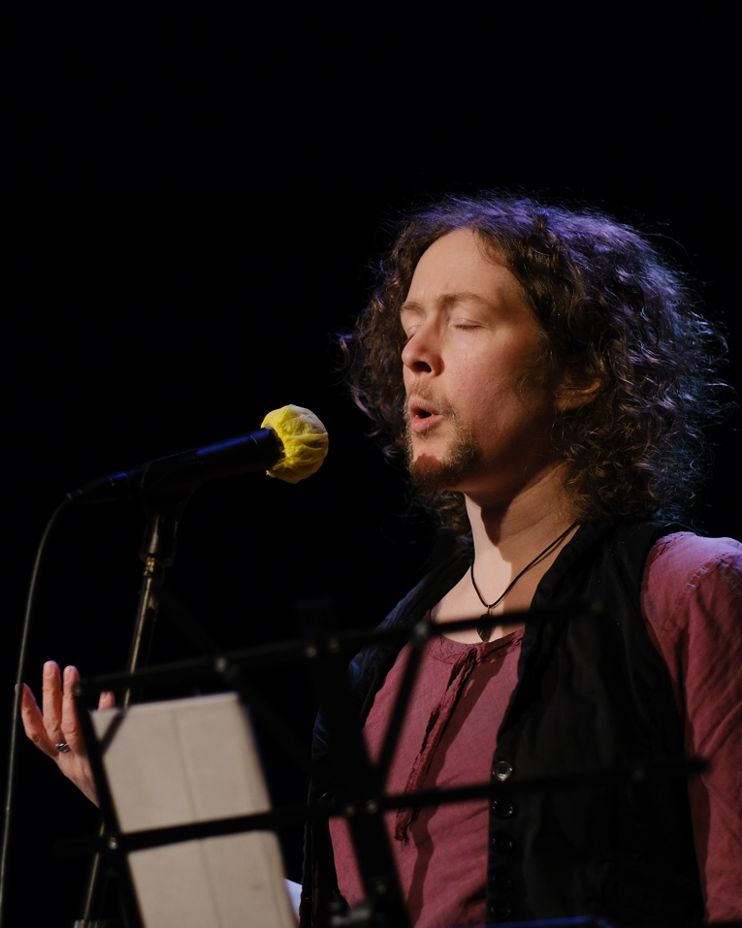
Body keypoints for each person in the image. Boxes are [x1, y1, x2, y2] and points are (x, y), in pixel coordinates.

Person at [22, 192, 742, 927]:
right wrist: (158, 818)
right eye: (407, 328)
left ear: (581, 370)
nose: (414, 355)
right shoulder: (387, 660)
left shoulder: (687, 589)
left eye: (463, 323)